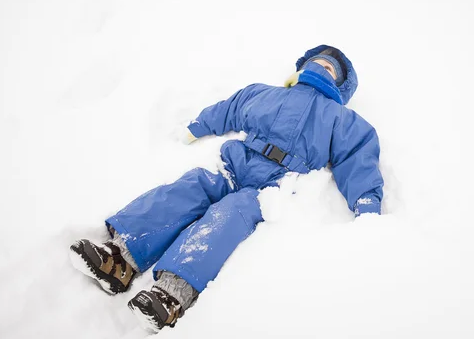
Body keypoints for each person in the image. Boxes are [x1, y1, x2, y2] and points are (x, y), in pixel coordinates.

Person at [69, 44, 384, 332]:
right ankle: (121, 257)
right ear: (301, 68)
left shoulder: (341, 118)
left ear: (341, 86)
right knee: (190, 187)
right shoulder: (265, 93)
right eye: (317, 63)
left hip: (273, 184)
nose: (321, 69)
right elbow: (230, 108)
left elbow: (358, 158)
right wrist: (197, 127)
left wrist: (367, 203)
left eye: (329, 69)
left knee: (230, 215)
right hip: (235, 162)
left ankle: (171, 294)